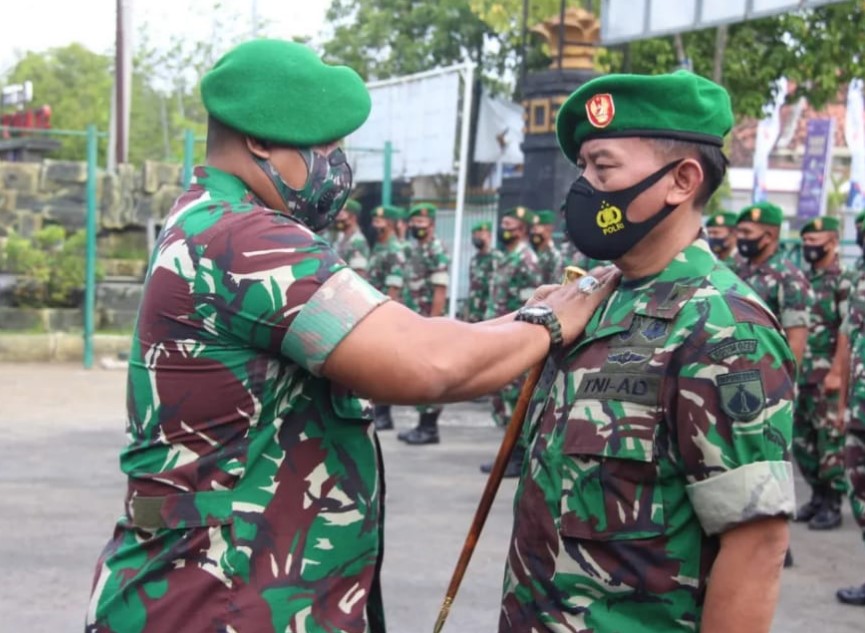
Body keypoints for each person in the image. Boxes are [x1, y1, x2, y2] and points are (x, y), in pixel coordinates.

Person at [83, 39, 617, 633]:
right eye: (326, 146)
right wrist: (551, 323)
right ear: (260, 140)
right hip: (223, 597)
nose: (336, 165)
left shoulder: (212, 220)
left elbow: (411, 332)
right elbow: (428, 363)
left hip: (225, 585)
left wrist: (520, 316)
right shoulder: (246, 240)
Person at [500, 71, 796, 633]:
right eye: (582, 168)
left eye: (603, 167)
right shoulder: (593, 300)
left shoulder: (723, 329)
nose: (583, 187)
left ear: (681, 180)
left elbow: (755, 545)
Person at [793, 216, 849, 530]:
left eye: (815, 241)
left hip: (827, 373)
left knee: (829, 440)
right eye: (805, 242)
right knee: (803, 440)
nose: (809, 247)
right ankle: (815, 496)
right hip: (804, 374)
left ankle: (832, 503)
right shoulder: (805, 278)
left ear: (832, 242)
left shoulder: (842, 279)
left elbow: (846, 329)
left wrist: (838, 372)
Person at [482, 206, 543, 477]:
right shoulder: (507, 257)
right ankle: (509, 453)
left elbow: (531, 306)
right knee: (501, 396)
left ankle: (518, 455)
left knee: (515, 395)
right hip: (499, 334)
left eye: (508, 223)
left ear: (521, 229)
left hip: (514, 338)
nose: (503, 228)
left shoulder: (527, 260)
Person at [734, 201, 813, 369]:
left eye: (747, 232)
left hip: (770, 375)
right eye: (739, 231)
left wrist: (783, 387)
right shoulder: (739, 270)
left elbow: (796, 342)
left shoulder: (789, 277)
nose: (740, 237)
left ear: (769, 236)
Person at [397, 202, 451, 445]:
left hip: (428, 320)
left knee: (430, 372)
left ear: (431, 224)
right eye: (414, 222)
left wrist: (433, 324)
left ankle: (430, 428)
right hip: (414, 318)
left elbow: (440, 290)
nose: (417, 226)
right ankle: (422, 425)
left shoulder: (436, 250)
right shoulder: (414, 248)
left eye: (421, 222)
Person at [835, 210, 865, 605]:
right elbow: (849, 337)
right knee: (858, 494)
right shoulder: (859, 278)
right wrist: (841, 401)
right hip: (859, 410)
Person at [367, 204, 407, 431]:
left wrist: (386, 318)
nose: (375, 225)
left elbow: (394, 286)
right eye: (374, 221)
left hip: (383, 313)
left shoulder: (394, 249)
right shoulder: (380, 247)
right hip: (373, 310)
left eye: (380, 222)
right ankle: (379, 411)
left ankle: (384, 414)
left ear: (390, 224)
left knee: (385, 364)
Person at [463, 220, 499, 323]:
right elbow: (472, 288)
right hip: (474, 313)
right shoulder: (474, 260)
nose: (477, 238)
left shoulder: (496, 258)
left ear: (489, 236)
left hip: (489, 313)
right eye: (475, 235)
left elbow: (495, 289)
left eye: (480, 234)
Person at [333, 198, 370, 277]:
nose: (338, 219)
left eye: (342, 215)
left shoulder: (358, 241)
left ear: (353, 217)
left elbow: (359, 274)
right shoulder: (340, 237)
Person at [530, 209, 564, 284]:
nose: (533, 233)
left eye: (536, 229)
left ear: (549, 229)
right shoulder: (530, 254)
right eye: (532, 229)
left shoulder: (555, 257)